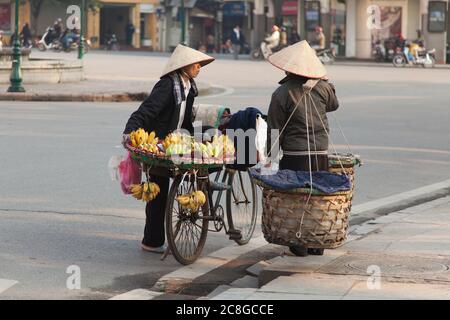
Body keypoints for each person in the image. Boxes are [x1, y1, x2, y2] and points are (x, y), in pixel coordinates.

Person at [122, 45, 215, 253]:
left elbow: (186, 120)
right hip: (159, 143)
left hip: (178, 139)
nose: (199, 67)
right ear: (184, 66)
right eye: (195, 64)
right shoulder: (167, 86)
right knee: (159, 193)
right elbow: (146, 111)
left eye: (200, 64)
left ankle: (195, 200)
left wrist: (198, 139)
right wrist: (129, 131)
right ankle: (152, 241)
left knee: (210, 145)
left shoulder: (189, 86)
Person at [266, 41, 339, 255]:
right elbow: (334, 105)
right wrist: (326, 81)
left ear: (289, 68)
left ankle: (299, 242)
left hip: (294, 154)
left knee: (297, 197)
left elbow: (274, 128)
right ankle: (317, 241)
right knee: (317, 195)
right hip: (319, 151)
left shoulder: (282, 92)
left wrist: (270, 157)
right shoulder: (323, 87)